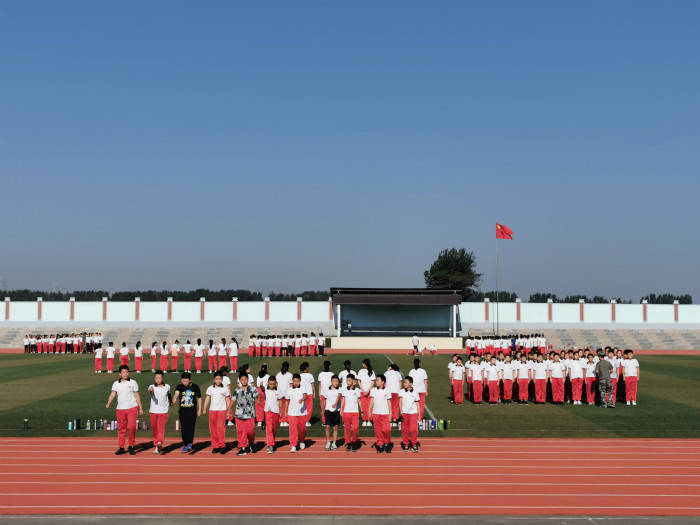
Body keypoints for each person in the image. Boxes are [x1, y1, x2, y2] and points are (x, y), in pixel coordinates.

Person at [105, 365, 143, 455]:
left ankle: (131, 446)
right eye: (123, 372)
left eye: (127, 372)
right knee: (121, 429)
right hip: (120, 409)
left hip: (132, 408)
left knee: (132, 427)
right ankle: (121, 447)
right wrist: (108, 403)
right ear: (120, 374)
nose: (125, 374)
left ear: (128, 373)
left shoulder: (133, 382)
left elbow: (137, 395)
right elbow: (112, 394)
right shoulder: (116, 383)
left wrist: (140, 408)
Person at [171, 372, 202, 453]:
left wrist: (199, 410)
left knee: (190, 428)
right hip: (182, 412)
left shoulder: (195, 387)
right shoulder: (179, 386)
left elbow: (199, 398)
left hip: (192, 412)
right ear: (181, 380)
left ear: (190, 380)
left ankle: (190, 444)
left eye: (186, 381)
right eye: (183, 381)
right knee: (184, 429)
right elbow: (176, 394)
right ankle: (185, 444)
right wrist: (174, 399)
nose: (185, 383)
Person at [202, 372, 231, 454]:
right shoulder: (210, 388)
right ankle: (215, 446)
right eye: (216, 379)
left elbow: (228, 400)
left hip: (222, 411)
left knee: (221, 429)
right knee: (213, 429)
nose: (218, 381)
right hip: (212, 411)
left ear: (222, 380)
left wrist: (228, 411)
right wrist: (204, 409)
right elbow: (207, 399)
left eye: (220, 379)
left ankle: (222, 446)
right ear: (214, 379)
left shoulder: (225, 389)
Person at [231, 371, 258, 455]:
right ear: (239, 380)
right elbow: (233, 400)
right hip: (239, 414)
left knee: (251, 432)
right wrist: (228, 409)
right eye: (242, 379)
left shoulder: (253, 389)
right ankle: (243, 448)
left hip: (250, 414)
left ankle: (251, 443)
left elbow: (258, 399)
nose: (244, 381)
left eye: (245, 379)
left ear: (248, 380)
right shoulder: (237, 390)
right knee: (241, 432)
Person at [148, 370, 171, 454]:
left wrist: (171, 402)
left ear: (162, 378)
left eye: (159, 378)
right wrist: (151, 390)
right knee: (154, 429)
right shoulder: (152, 386)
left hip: (163, 412)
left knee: (161, 428)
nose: (158, 380)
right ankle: (157, 445)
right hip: (153, 411)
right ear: (154, 378)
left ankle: (160, 442)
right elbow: (150, 390)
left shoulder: (167, 386)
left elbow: (169, 395)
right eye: (156, 378)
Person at [369, 374, 392, 453]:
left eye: (378, 380)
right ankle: (380, 443)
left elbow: (389, 403)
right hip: (376, 413)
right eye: (376, 380)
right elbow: (371, 401)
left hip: (385, 413)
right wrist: (369, 411)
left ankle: (387, 442)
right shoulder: (373, 390)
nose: (376, 382)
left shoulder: (387, 391)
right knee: (378, 430)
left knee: (387, 429)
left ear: (383, 382)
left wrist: (390, 413)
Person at [287, 373, 310, 452]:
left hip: (302, 413)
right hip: (292, 413)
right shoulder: (289, 389)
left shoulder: (303, 388)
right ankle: (293, 445)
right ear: (292, 381)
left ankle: (302, 441)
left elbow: (305, 396)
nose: (296, 383)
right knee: (293, 429)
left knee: (302, 430)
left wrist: (302, 399)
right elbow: (287, 401)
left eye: (297, 381)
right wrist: (286, 412)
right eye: (294, 381)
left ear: (300, 381)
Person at [340, 374, 361, 451]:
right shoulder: (344, 390)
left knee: (355, 428)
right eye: (347, 380)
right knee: (347, 429)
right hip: (346, 412)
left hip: (355, 412)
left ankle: (354, 442)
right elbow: (343, 400)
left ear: (353, 381)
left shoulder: (357, 390)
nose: (347, 382)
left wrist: (361, 411)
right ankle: (348, 443)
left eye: (349, 380)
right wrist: (341, 409)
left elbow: (359, 401)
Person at [399, 376, 420, 452]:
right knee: (405, 430)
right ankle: (406, 444)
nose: (404, 383)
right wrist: (401, 412)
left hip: (413, 413)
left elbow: (418, 404)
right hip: (404, 413)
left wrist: (419, 414)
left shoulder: (415, 392)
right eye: (404, 382)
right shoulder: (401, 391)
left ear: (411, 383)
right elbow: (400, 402)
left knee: (414, 429)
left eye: (406, 382)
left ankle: (414, 444)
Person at [263, 376, 282, 453]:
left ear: (276, 384)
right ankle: (270, 445)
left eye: (273, 384)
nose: (271, 385)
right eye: (270, 384)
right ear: (268, 383)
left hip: (276, 412)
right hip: (268, 412)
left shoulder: (278, 392)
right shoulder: (266, 391)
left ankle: (271, 442)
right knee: (269, 429)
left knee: (273, 429)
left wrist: (281, 412)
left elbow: (280, 402)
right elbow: (262, 388)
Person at [323, 375, 342, 450]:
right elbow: (324, 400)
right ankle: (328, 442)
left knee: (335, 428)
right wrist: (324, 409)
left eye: (337, 381)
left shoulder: (339, 390)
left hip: (336, 411)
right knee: (327, 427)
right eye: (334, 381)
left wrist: (335, 403)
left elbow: (339, 396)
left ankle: (334, 443)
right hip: (328, 411)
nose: (336, 383)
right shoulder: (327, 390)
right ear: (331, 382)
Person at [357, 359, 376, 427]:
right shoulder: (371, 371)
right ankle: (368, 420)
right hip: (369, 391)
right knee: (369, 406)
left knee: (364, 406)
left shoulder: (361, 371)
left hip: (364, 391)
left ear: (365, 364)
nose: (362, 365)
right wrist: (368, 390)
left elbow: (358, 381)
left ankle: (366, 420)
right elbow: (372, 382)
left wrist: (363, 390)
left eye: (363, 363)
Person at [317, 361, 334, 425]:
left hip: (322, 394)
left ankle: (324, 421)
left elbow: (320, 384)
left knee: (323, 408)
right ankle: (330, 421)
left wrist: (319, 393)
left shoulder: (320, 374)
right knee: (330, 408)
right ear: (330, 366)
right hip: (330, 394)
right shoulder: (332, 374)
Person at [276, 362, 292, 427]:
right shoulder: (290, 375)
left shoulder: (278, 374)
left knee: (280, 408)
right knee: (286, 408)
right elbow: (291, 385)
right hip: (287, 393)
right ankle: (285, 421)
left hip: (279, 393)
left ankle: (281, 421)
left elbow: (276, 384)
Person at [299, 362, 315, 427]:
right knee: (309, 408)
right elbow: (312, 386)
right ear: (306, 368)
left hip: (302, 394)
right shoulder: (310, 375)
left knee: (302, 408)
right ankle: (307, 421)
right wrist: (314, 393)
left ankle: (302, 420)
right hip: (309, 394)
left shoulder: (299, 375)